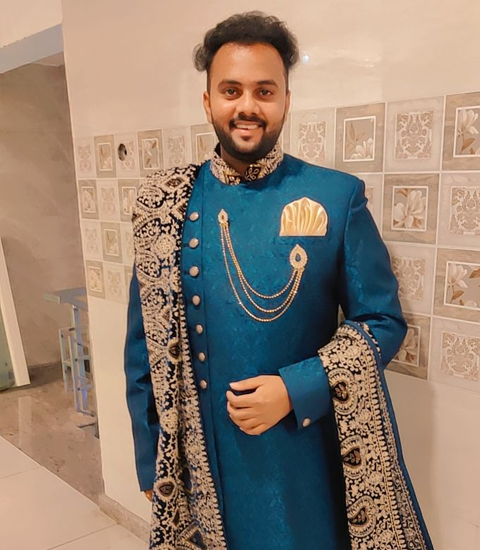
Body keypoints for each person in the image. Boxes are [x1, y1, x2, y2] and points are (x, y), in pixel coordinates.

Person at [124, 11, 434, 550]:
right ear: (208, 102)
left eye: (264, 91)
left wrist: (297, 388)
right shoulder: (166, 208)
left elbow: (382, 321)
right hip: (200, 464)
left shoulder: (336, 196)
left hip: (302, 461)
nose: (247, 106)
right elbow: (143, 346)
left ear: (286, 100)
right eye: (231, 90)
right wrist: (151, 459)